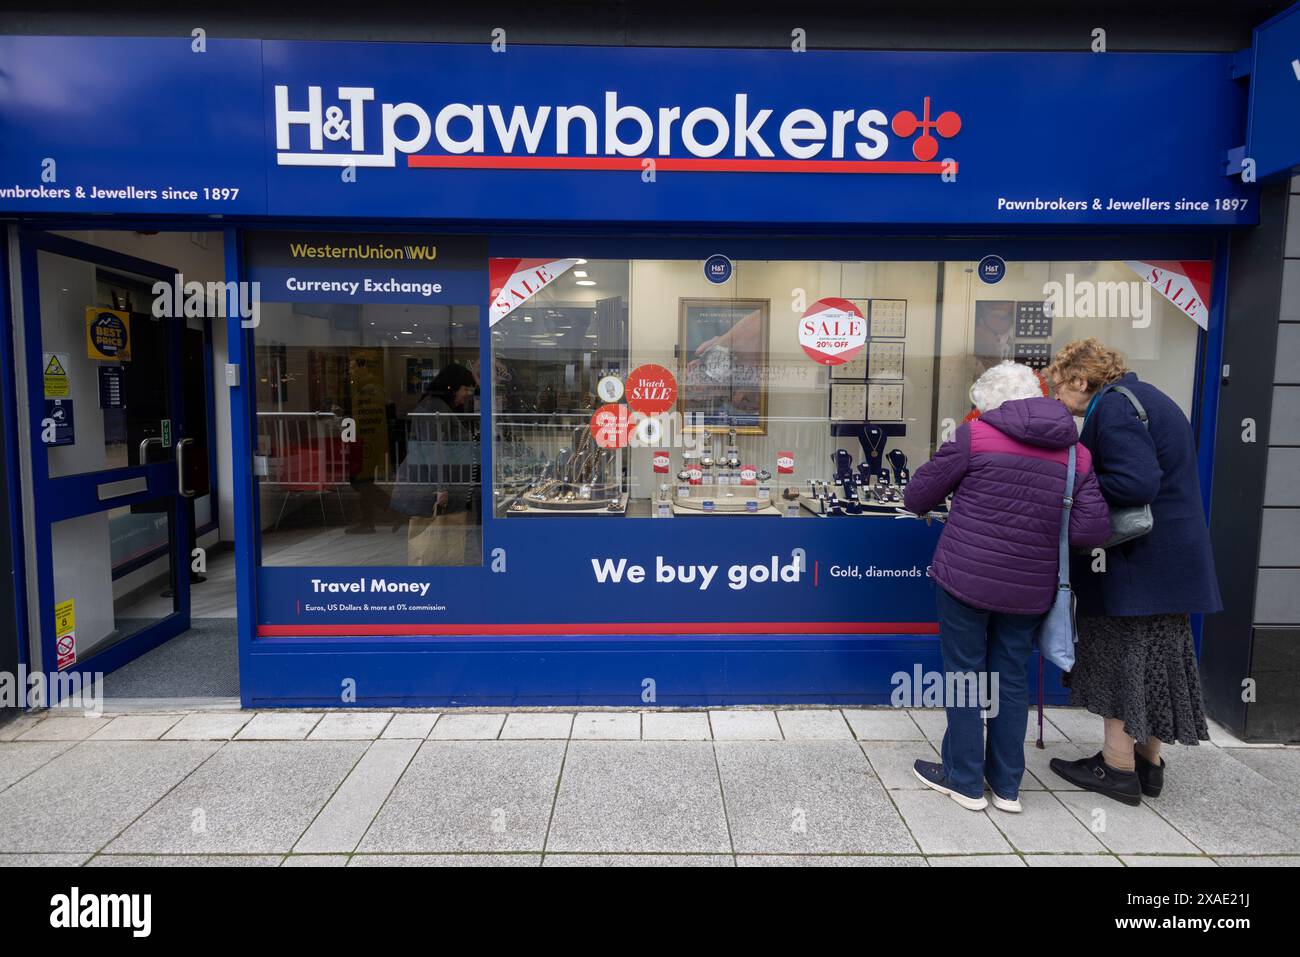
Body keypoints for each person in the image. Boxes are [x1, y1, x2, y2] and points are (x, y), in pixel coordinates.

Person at [904, 361, 1111, 811]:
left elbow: (917, 496)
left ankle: (963, 779)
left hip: (965, 578)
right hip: (1030, 587)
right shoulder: (1076, 453)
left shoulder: (974, 437)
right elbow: (1092, 531)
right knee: (1011, 678)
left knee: (963, 675)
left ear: (990, 405)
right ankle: (1007, 785)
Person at [1044, 339, 1220, 805]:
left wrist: (1073, 483)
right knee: (1154, 663)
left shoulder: (1115, 409)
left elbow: (1135, 482)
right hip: (1170, 563)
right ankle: (1148, 765)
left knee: (1123, 661)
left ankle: (1116, 769)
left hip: (1136, 563)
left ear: (1081, 380)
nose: (1058, 399)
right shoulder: (1152, 398)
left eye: (1058, 388)